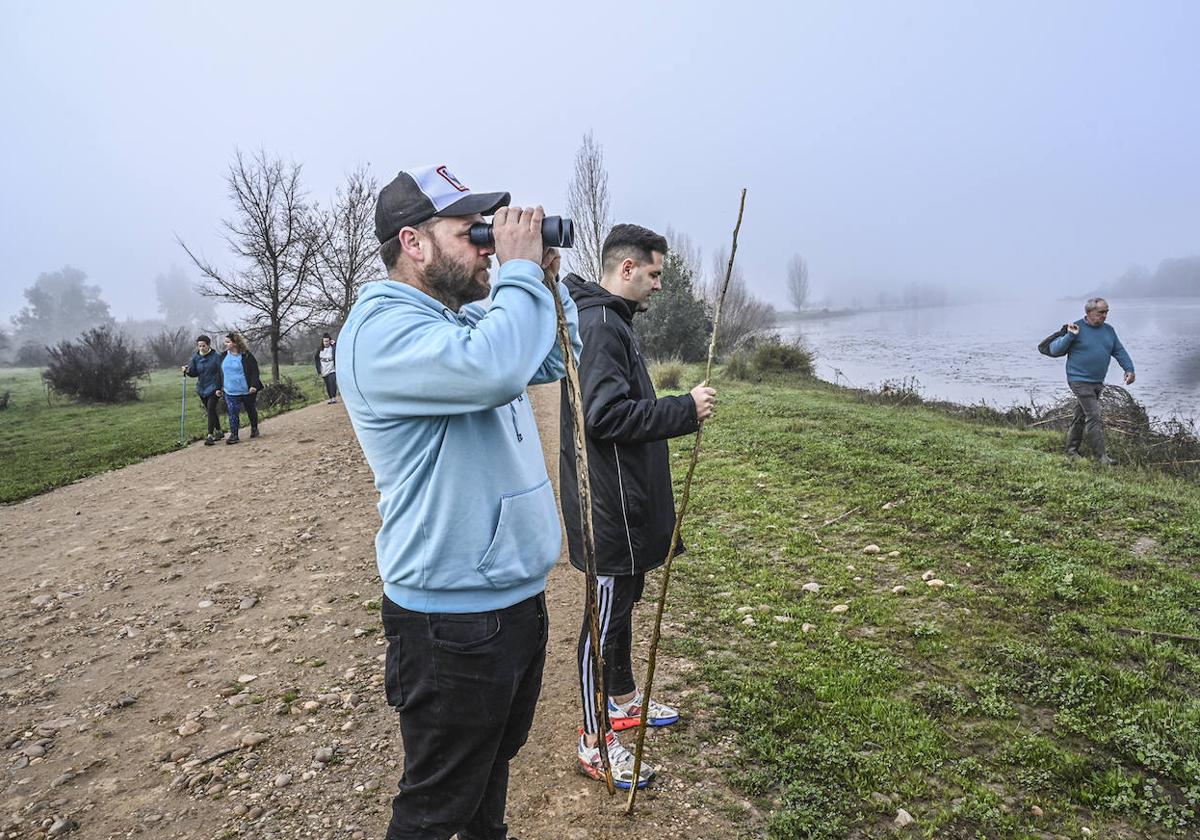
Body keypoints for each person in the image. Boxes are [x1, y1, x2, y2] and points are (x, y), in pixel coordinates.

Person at [337, 163, 580, 840]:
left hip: (509, 600)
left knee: (486, 779)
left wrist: (544, 284)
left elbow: (551, 361)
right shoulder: (381, 331)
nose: (486, 243)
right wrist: (520, 276)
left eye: (490, 230)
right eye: (471, 230)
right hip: (452, 621)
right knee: (434, 807)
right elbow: (493, 367)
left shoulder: (461, 319)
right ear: (412, 244)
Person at [558, 224, 716, 789]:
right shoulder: (601, 325)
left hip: (627, 503)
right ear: (626, 269)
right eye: (652, 275)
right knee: (601, 624)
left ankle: (621, 699)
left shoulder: (612, 320)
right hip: (608, 511)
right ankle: (594, 740)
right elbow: (604, 417)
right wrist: (683, 410)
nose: (656, 286)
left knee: (623, 606)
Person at [1049, 297, 1136, 465]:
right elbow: (1054, 349)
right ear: (1089, 313)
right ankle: (1101, 457)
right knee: (1093, 415)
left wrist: (1129, 370)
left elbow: (1119, 351)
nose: (1104, 316)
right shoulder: (1075, 328)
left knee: (1080, 415)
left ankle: (1071, 450)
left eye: (1106, 312)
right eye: (1100, 312)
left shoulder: (1109, 331)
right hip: (1078, 380)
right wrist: (1070, 336)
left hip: (1097, 381)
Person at [214, 332, 264, 445]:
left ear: (235, 343)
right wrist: (218, 388)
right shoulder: (222, 356)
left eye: (228, 342)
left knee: (250, 409)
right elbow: (218, 373)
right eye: (225, 342)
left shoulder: (247, 356)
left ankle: (254, 428)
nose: (225, 344)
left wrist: (254, 386)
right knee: (232, 412)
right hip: (230, 391)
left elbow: (255, 372)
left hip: (247, 390)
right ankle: (234, 435)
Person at [181, 334, 224, 445]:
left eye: (203, 346)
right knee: (211, 410)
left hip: (214, 387)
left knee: (210, 408)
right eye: (199, 346)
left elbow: (221, 373)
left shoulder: (216, 357)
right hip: (202, 388)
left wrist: (219, 388)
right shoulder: (195, 357)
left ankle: (210, 435)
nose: (201, 348)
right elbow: (194, 372)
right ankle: (219, 431)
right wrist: (187, 371)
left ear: (209, 345)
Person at [314, 333, 338, 404]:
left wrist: (335, 344)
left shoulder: (333, 348)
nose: (326, 343)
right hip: (324, 370)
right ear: (322, 341)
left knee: (332, 383)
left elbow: (338, 351)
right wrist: (318, 370)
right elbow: (316, 359)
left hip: (332, 369)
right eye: (325, 341)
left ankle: (334, 397)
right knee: (327, 385)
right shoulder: (319, 350)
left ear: (330, 341)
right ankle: (330, 398)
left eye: (327, 341)